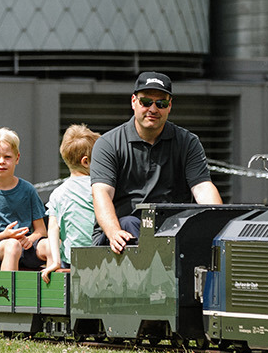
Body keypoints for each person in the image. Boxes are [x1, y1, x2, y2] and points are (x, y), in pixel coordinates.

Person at [89, 71, 221, 253]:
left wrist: (218, 227)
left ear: (169, 106)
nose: (153, 109)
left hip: (171, 229)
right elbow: (101, 193)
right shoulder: (108, 143)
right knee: (129, 223)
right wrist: (113, 231)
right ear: (134, 102)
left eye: (161, 103)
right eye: (146, 102)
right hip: (119, 235)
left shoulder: (187, 142)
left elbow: (203, 188)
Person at [0, 127, 54, 272]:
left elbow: (41, 231)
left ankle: (53, 292)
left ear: (17, 158)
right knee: (12, 245)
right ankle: (7, 293)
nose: (2, 162)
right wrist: (4, 235)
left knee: (51, 245)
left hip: (25, 245)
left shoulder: (28, 190)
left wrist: (28, 240)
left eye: (7, 157)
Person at [46, 123, 99, 268]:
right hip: (100, 259)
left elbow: (53, 229)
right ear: (86, 161)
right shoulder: (98, 188)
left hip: (69, 261)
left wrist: (55, 261)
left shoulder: (57, 193)